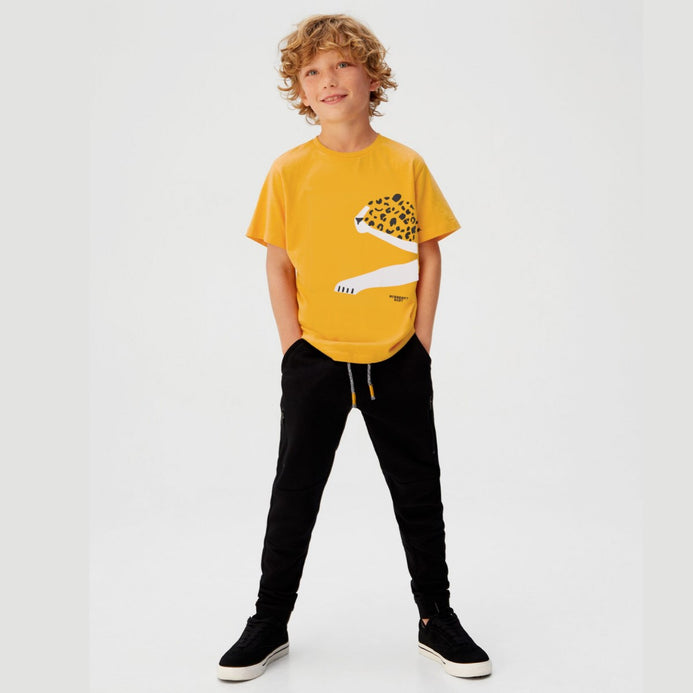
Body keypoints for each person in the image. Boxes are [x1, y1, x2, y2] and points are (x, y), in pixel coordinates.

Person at [217, 13, 492, 681]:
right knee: (295, 490)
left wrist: (419, 342)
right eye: (312, 70)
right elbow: (278, 262)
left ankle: (436, 617)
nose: (328, 79)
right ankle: (269, 619)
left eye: (342, 63)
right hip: (316, 359)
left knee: (417, 490)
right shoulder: (289, 171)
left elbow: (427, 253)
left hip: (397, 357)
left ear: (372, 76)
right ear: (299, 90)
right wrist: (293, 347)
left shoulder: (404, 164)